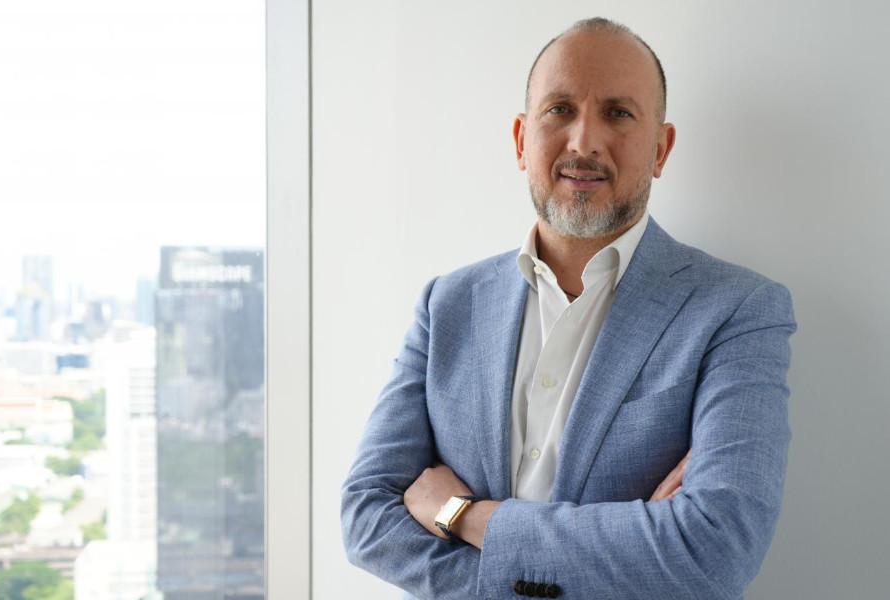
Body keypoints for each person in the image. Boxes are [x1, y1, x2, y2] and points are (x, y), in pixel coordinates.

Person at [340, 16, 797, 600]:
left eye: (618, 113)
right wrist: (619, 556)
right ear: (520, 140)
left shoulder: (737, 312)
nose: (583, 142)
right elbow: (366, 517)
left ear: (660, 149)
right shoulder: (447, 304)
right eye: (559, 109)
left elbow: (716, 549)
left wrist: (464, 515)